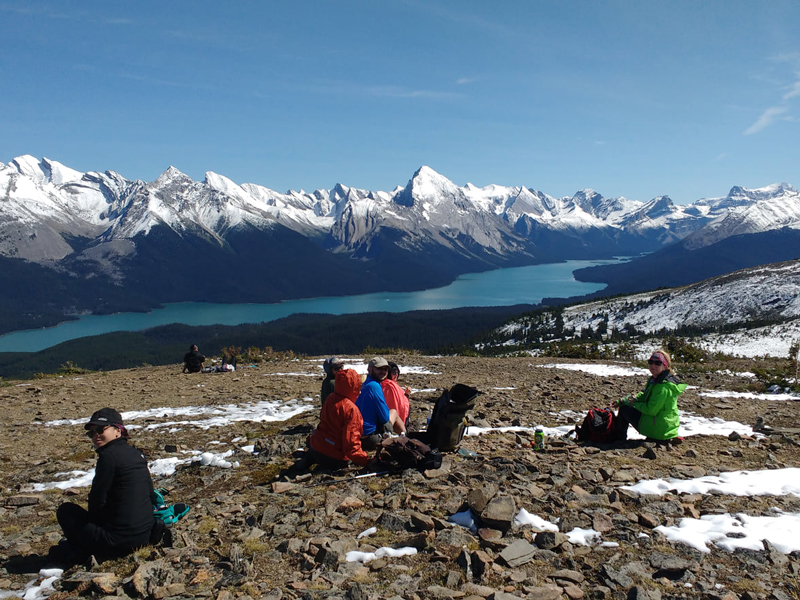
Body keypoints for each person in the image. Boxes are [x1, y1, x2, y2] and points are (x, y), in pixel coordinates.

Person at [55, 408, 159, 564]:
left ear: (118, 431)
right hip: (146, 535)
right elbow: (150, 493)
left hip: (118, 542)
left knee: (66, 511)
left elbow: (97, 501)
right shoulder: (135, 454)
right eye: (91, 433)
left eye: (100, 429)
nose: (95, 435)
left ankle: (82, 553)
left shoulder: (108, 457)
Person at [613, 350, 687, 441]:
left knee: (625, 410)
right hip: (666, 428)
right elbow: (645, 396)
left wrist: (635, 404)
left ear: (665, 365)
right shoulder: (656, 380)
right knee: (625, 406)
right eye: (651, 362)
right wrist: (624, 400)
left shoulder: (662, 387)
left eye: (657, 363)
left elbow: (651, 410)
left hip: (659, 430)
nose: (653, 365)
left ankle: (617, 440)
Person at [306, 368, 371, 470]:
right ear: (354, 387)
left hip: (316, 447)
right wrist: (366, 461)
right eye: (358, 386)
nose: (360, 391)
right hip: (333, 456)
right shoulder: (351, 409)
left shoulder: (331, 397)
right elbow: (351, 445)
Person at [355, 356, 406, 450]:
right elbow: (384, 417)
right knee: (393, 412)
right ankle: (406, 438)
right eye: (379, 369)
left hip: (354, 436)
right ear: (369, 369)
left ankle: (404, 437)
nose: (383, 372)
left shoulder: (361, 383)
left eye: (385, 369)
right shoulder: (374, 386)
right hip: (370, 439)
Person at [381, 361, 410, 426]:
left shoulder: (383, 384)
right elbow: (401, 406)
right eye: (394, 373)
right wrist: (406, 395)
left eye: (397, 373)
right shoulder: (390, 386)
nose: (396, 375)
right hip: (393, 422)